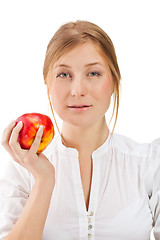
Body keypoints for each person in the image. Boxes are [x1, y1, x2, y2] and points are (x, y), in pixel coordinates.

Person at [0, 20, 159, 240]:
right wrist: (43, 181)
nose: (77, 90)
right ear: (48, 83)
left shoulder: (150, 162)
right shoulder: (23, 167)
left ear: (113, 81)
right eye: (64, 75)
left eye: (93, 73)